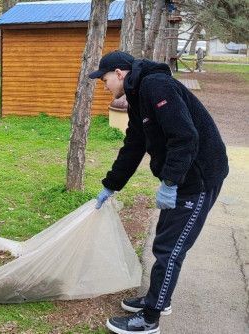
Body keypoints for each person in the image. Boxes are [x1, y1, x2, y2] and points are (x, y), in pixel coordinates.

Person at [89, 51, 228, 334]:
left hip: (198, 178)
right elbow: (134, 145)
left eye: (104, 80)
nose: (104, 87)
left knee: (170, 249)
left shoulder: (156, 86)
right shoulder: (139, 96)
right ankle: (157, 299)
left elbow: (185, 136)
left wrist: (170, 181)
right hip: (182, 178)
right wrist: (111, 184)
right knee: (164, 241)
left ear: (119, 73)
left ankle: (150, 319)